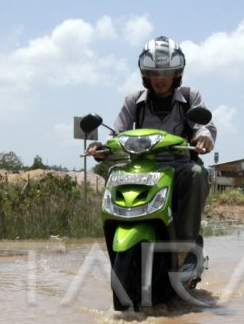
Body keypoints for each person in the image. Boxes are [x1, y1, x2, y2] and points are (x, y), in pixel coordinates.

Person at [89, 36, 216, 258]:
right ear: (145, 74)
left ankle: (183, 249)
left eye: (166, 72)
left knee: (196, 173)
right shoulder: (133, 101)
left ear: (177, 73)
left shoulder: (190, 97)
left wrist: (203, 138)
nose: (160, 79)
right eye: (154, 73)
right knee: (114, 172)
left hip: (178, 169)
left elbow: (203, 126)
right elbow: (116, 134)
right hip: (141, 170)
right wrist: (102, 148)